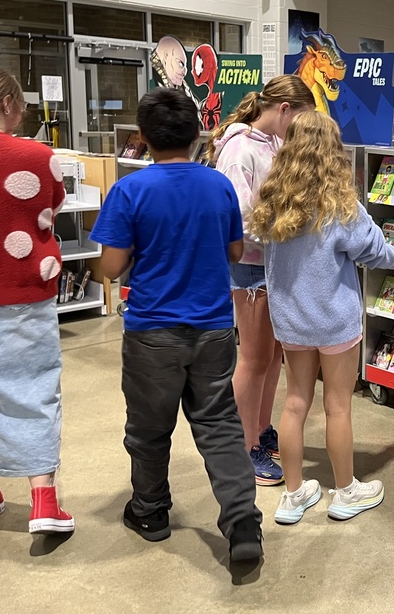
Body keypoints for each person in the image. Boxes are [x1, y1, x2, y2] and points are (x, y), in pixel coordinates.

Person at [90, 88, 264, 562]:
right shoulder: (217, 186)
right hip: (213, 328)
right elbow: (233, 252)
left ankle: (150, 511)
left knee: (148, 428)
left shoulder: (130, 190)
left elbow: (110, 267)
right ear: (196, 135)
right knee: (220, 423)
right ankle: (243, 521)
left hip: (152, 332)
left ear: (142, 138)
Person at [248, 112, 394, 525]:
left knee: (293, 404)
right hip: (335, 322)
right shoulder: (341, 206)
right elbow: (375, 252)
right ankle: (345, 492)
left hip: (291, 322)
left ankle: (292, 495)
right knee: (338, 406)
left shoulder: (271, 202)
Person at [208, 74, 314, 486]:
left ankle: (261, 429)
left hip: (272, 263)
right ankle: (244, 446)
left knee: (271, 358)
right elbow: (239, 219)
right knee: (253, 360)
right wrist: (284, 233)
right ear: (284, 109)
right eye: (300, 118)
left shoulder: (272, 144)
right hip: (252, 265)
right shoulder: (238, 150)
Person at [0, 67, 74, 535]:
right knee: (34, 389)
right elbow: (52, 206)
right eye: (20, 102)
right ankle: (43, 499)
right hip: (24, 291)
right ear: (7, 104)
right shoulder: (38, 155)